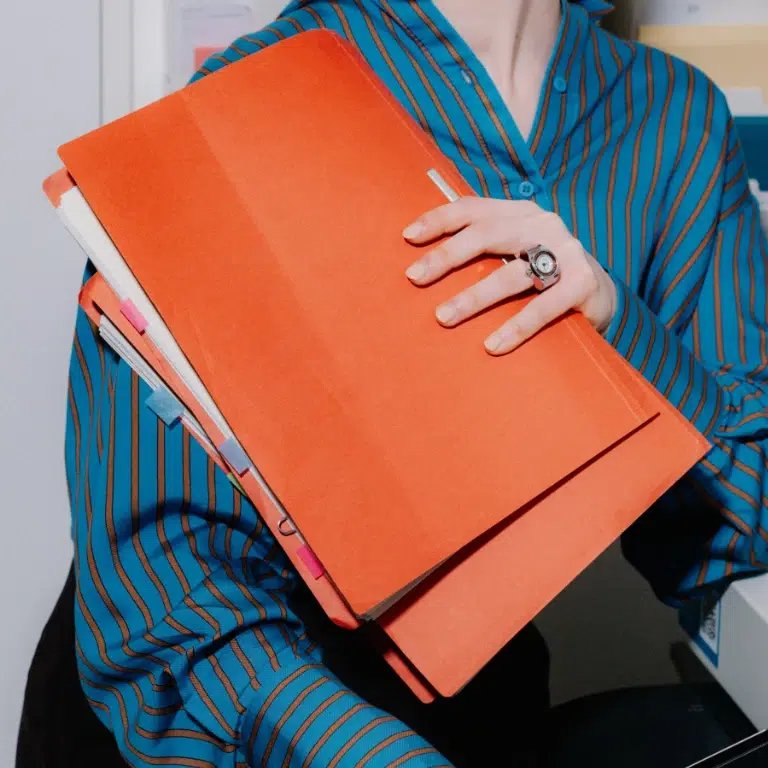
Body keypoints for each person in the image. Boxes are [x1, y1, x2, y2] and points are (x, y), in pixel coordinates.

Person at [17, 0, 768, 766]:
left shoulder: (673, 119)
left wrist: (617, 328)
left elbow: (746, 528)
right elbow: (165, 596)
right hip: (220, 719)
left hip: (467, 696)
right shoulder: (236, 102)